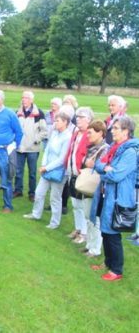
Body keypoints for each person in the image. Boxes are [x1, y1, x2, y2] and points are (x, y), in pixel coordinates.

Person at [90, 116, 139, 281]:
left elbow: (116, 175)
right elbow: (98, 164)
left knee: (113, 234)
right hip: (107, 194)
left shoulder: (130, 152)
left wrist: (105, 172)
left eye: (116, 128)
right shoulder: (113, 147)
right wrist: (106, 168)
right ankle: (107, 262)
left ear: (126, 131)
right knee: (105, 230)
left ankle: (116, 270)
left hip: (118, 198)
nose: (112, 131)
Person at [23, 112, 72, 227]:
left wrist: (46, 167)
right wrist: (44, 164)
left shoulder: (68, 137)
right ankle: (36, 214)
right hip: (47, 169)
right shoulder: (54, 133)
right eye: (55, 121)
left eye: (58, 121)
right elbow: (47, 149)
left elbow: (62, 158)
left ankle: (54, 222)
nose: (55, 123)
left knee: (55, 197)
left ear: (65, 122)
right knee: (39, 193)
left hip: (59, 171)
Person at [65, 107, 94, 244]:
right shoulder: (76, 133)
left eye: (81, 117)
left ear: (88, 119)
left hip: (82, 174)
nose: (78, 119)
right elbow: (71, 151)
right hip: (72, 172)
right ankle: (78, 228)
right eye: (77, 116)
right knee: (75, 204)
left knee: (82, 205)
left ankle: (84, 233)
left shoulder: (90, 135)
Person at [80, 120, 108, 257]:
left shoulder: (105, 149)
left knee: (95, 219)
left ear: (100, 133)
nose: (88, 135)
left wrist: (90, 164)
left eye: (90, 133)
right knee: (87, 217)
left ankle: (95, 249)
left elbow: (99, 166)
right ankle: (89, 245)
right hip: (88, 188)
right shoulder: (91, 147)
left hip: (96, 188)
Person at [15, 91, 47, 202]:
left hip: (33, 148)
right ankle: (18, 190)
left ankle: (32, 193)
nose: (24, 100)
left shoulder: (39, 114)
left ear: (32, 100)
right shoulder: (17, 112)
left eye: (27, 98)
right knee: (18, 171)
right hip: (20, 148)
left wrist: (36, 140)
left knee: (32, 173)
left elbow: (44, 131)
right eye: (23, 97)